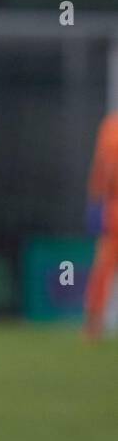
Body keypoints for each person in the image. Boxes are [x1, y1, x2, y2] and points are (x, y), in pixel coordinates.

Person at [84, 111, 118, 341]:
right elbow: (102, 169)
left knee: (103, 266)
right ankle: (94, 323)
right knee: (103, 267)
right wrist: (96, 203)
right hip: (113, 209)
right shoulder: (110, 127)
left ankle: (94, 323)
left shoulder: (110, 128)